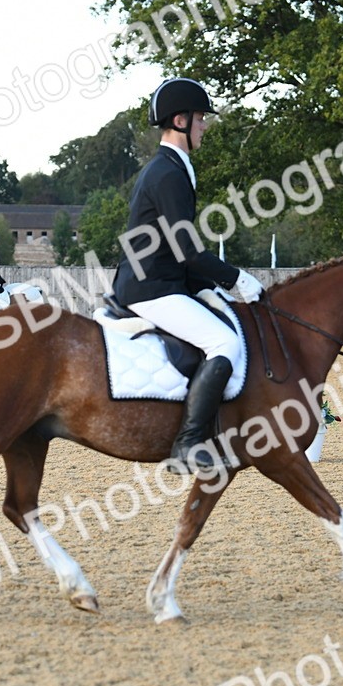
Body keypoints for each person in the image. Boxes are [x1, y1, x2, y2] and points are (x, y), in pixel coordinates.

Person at [111, 78, 265, 474]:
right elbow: (187, 249)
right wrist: (235, 279)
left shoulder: (174, 167)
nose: (204, 126)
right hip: (152, 288)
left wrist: (209, 288)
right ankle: (188, 443)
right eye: (200, 119)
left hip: (164, 280)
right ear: (180, 120)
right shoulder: (167, 173)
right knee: (224, 342)